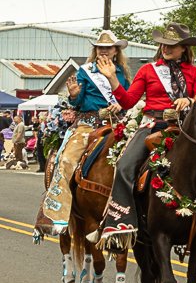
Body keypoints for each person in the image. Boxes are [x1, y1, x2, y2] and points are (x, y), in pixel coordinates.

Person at [95, 22, 196, 253]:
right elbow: (128, 102)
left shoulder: (194, 72)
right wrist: (112, 79)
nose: (166, 48)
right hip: (153, 125)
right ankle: (122, 223)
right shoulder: (148, 70)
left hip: (186, 130)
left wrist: (190, 101)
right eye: (163, 44)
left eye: (172, 45)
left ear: (183, 48)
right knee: (124, 166)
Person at [34, 30, 129, 239]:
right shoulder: (85, 72)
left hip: (117, 124)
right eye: (100, 47)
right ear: (96, 50)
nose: (104, 51)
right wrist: (75, 95)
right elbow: (77, 103)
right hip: (89, 123)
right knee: (66, 160)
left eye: (108, 48)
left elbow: (128, 98)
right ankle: (57, 213)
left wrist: (119, 104)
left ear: (115, 51)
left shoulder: (121, 73)